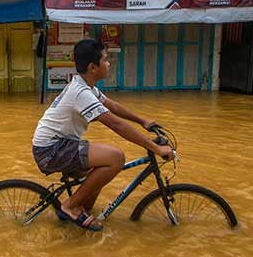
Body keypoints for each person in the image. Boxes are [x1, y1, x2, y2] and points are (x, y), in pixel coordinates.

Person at [32, 39, 173, 231]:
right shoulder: (81, 92)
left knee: (97, 175)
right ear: (93, 67)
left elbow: (113, 106)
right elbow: (115, 123)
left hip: (59, 144)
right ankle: (70, 205)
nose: (108, 63)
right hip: (52, 149)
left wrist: (142, 121)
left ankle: (75, 217)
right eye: (106, 60)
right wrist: (155, 147)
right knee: (115, 158)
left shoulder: (86, 86)